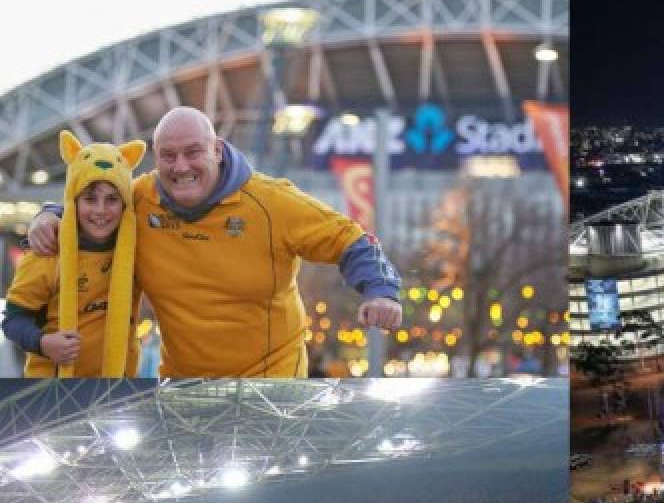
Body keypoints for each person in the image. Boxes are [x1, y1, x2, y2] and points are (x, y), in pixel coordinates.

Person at [27, 107, 403, 377]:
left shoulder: (270, 202)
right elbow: (92, 200)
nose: (181, 167)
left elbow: (349, 237)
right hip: (184, 388)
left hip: (271, 386)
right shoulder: (139, 200)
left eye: (193, 152)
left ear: (217, 150)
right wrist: (49, 215)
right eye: (168, 156)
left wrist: (381, 290)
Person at [4, 132, 144, 376]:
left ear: (125, 204)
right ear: (74, 202)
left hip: (118, 390)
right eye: (90, 199)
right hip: (51, 392)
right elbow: (13, 320)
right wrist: (43, 343)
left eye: (112, 199)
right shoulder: (46, 250)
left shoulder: (136, 247)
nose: (101, 211)